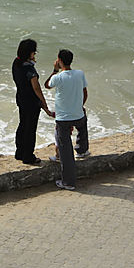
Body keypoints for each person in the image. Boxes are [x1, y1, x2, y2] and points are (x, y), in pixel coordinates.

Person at [44, 49, 90, 190]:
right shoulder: (79, 74)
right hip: (78, 115)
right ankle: (82, 150)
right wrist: (79, 106)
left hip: (63, 119)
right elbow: (85, 93)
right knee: (82, 124)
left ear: (59, 61)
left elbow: (46, 85)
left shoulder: (58, 77)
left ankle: (68, 182)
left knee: (65, 149)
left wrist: (54, 70)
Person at [12, 39, 54, 165]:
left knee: (22, 125)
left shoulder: (16, 63)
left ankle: (19, 152)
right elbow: (36, 88)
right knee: (30, 130)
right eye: (33, 52)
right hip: (31, 103)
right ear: (29, 53)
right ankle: (28, 156)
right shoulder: (30, 70)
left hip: (21, 98)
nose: (34, 54)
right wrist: (44, 103)